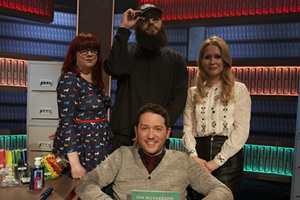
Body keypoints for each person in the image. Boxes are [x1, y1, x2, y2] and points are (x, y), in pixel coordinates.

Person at [75, 103, 233, 200]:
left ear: (167, 133)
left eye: (158, 129)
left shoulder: (182, 161)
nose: (151, 136)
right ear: (136, 131)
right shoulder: (121, 156)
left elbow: (223, 191)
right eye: (145, 128)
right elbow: (85, 184)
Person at [104, 4, 188, 151]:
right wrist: (123, 29)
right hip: (125, 136)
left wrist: (154, 129)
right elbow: (114, 68)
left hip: (157, 138)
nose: (151, 22)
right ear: (136, 25)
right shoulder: (127, 53)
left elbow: (179, 100)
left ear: (161, 23)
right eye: (145, 19)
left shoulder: (176, 60)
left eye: (155, 19)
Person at [182, 36, 251, 194]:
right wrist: (194, 157)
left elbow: (241, 131)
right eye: (207, 57)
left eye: (217, 56)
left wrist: (217, 162)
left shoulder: (239, 89)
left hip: (228, 159)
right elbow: (188, 128)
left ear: (225, 59)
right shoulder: (192, 93)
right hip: (199, 155)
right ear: (201, 61)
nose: (212, 62)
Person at [52, 33, 112, 179]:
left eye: (93, 50)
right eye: (83, 50)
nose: (89, 54)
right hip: (81, 149)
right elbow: (67, 122)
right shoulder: (70, 80)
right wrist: (75, 164)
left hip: (98, 145)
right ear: (74, 54)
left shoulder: (96, 81)